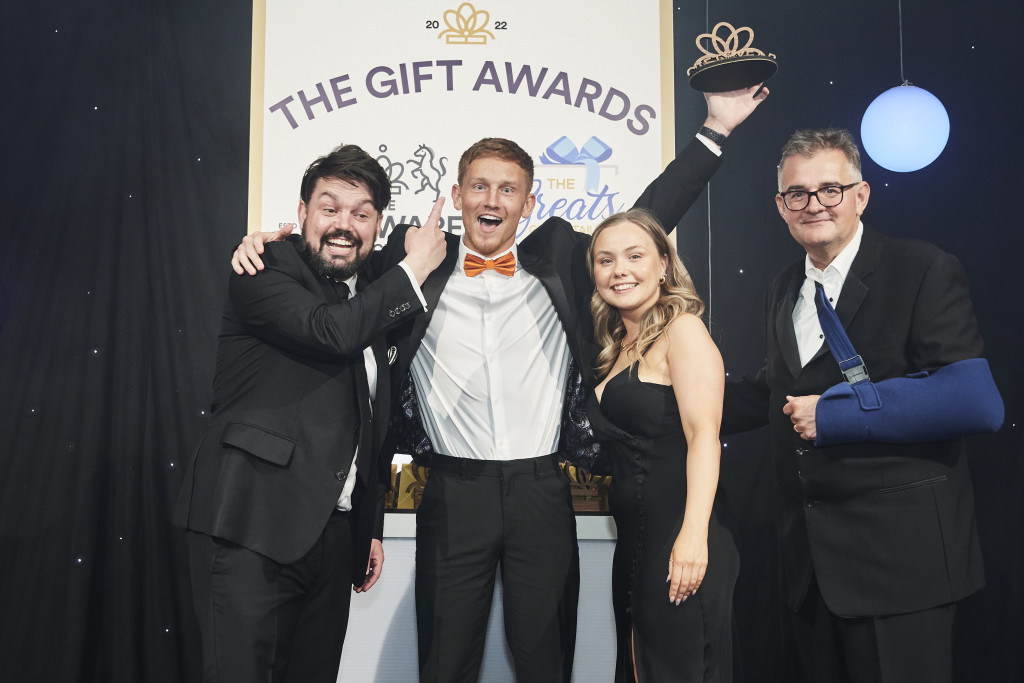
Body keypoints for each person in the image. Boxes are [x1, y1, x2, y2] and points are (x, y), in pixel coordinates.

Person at [234, 85, 768, 682]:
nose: (492, 199)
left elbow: (644, 222)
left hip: (542, 489)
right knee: (444, 663)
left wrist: (715, 131)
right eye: (480, 186)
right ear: (457, 195)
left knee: (545, 661)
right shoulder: (409, 264)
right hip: (452, 492)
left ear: (528, 201)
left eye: (507, 189)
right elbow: (336, 256)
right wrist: (272, 242)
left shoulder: (562, 257)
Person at [173, 144, 446, 682]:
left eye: (361, 213)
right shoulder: (264, 267)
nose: (344, 225)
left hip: (333, 539)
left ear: (378, 224)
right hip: (251, 526)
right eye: (330, 208)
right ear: (301, 214)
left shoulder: (370, 295)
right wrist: (414, 267)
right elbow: (332, 332)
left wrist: (368, 526)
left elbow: (371, 422)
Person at [723, 128, 986, 683]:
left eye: (830, 189)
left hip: (901, 567)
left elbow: (973, 400)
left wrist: (837, 414)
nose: (814, 204)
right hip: (810, 571)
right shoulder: (782, 287)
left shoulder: (921, 268)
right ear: (780, 207)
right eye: (798, 193)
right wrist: (659, 400)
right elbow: (778, 390)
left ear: (861, 196)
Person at [586, 208, 738, 682]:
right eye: (605, 260)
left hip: (681, 539)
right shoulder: (616, 347)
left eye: (635, 256)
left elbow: (704, 437)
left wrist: (693, 536)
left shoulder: (683, 330)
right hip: (636, 544)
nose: (620, 270)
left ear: (664, 265)